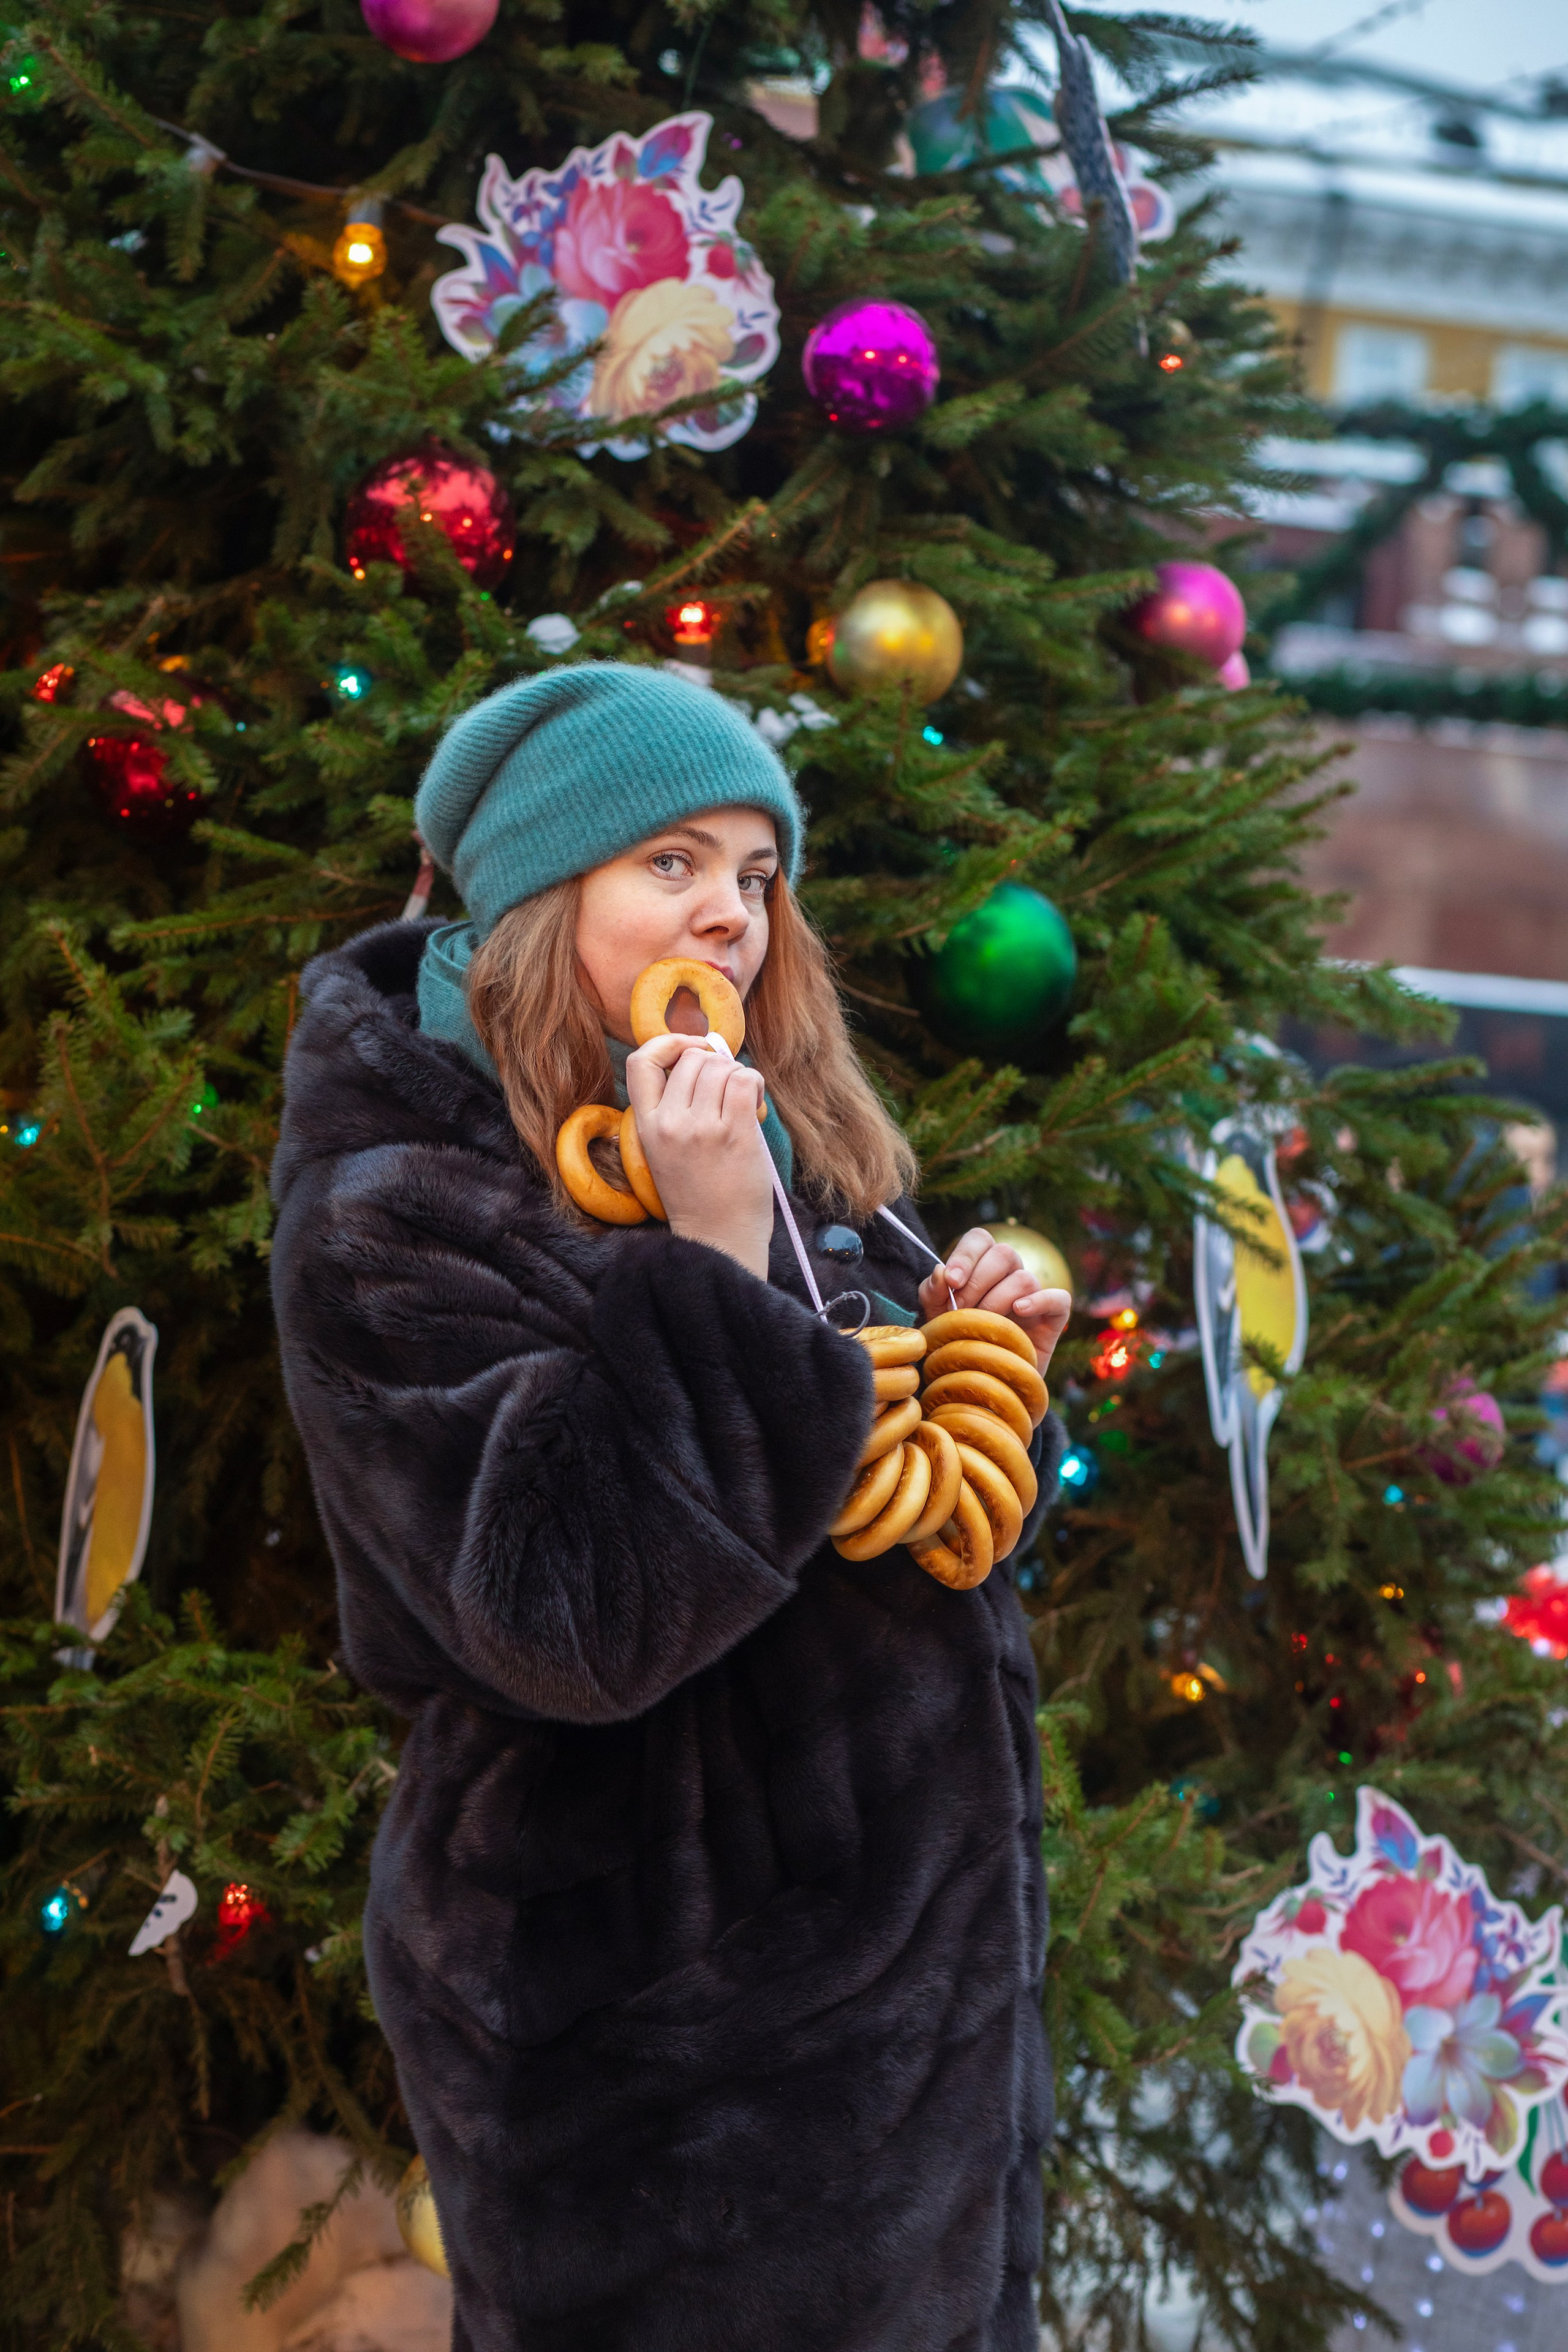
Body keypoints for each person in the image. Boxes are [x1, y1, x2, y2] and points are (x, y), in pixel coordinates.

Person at [271, 663, 1072, 2351]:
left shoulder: (775, 1141)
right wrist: (709, 1263)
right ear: (541, 897)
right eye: (673, 865)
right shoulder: (395, 1211)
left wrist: (987, 1380)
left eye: (758, 878)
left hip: (909, 2029)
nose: (732, 917)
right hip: (653, 2038)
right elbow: (575, 1625)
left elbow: (890, 1536)